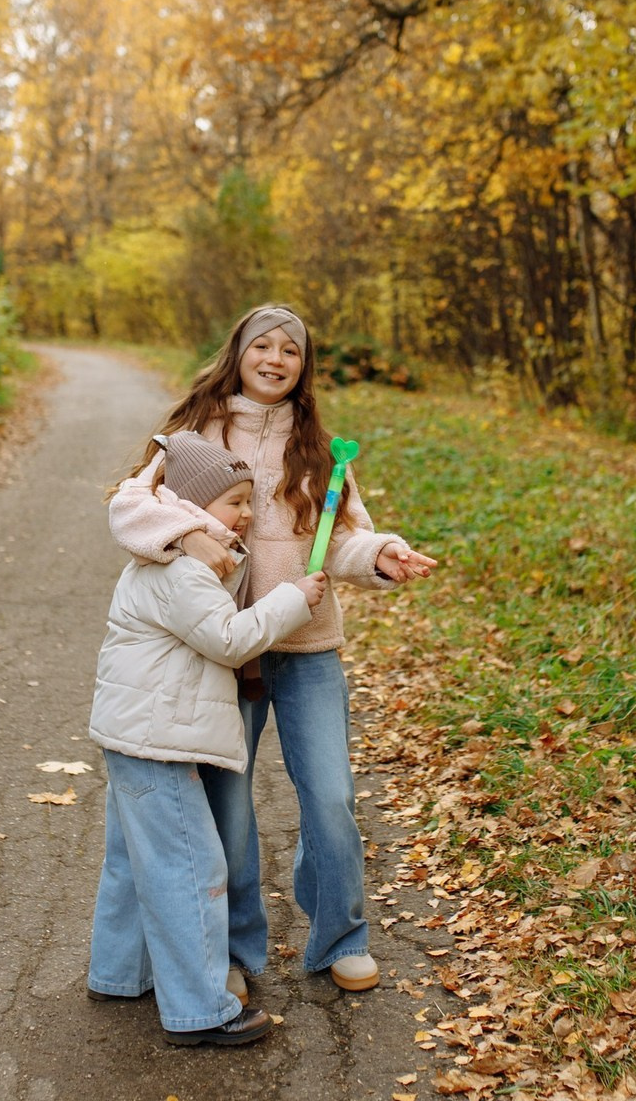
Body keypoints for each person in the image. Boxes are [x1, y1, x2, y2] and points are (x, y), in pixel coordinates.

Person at [109, 304, 437, 996]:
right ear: (238, 352)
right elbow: (130, 506)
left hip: (307, 645)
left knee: (331, 796)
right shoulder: (192, 433)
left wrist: (383, 553)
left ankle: (340, 936)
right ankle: (232, 948)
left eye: (291, 349)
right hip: (223, 652)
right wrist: (185, 534)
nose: (276, 357)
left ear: (303, 367)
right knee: (227, 807)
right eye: (264, 344)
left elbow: (345, 537)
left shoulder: (318, 448)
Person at [87, 430, 328, 1046]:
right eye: (234, 502)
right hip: (158, 742)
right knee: (189, 867)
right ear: (192, 505)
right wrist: (290, 600)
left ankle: (119, 973)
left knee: (132, 861)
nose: (247, 513)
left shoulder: (164, 551)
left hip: (134, 734)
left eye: (249, 500)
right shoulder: (184, 567)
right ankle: (200, 1009)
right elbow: (229, 639)